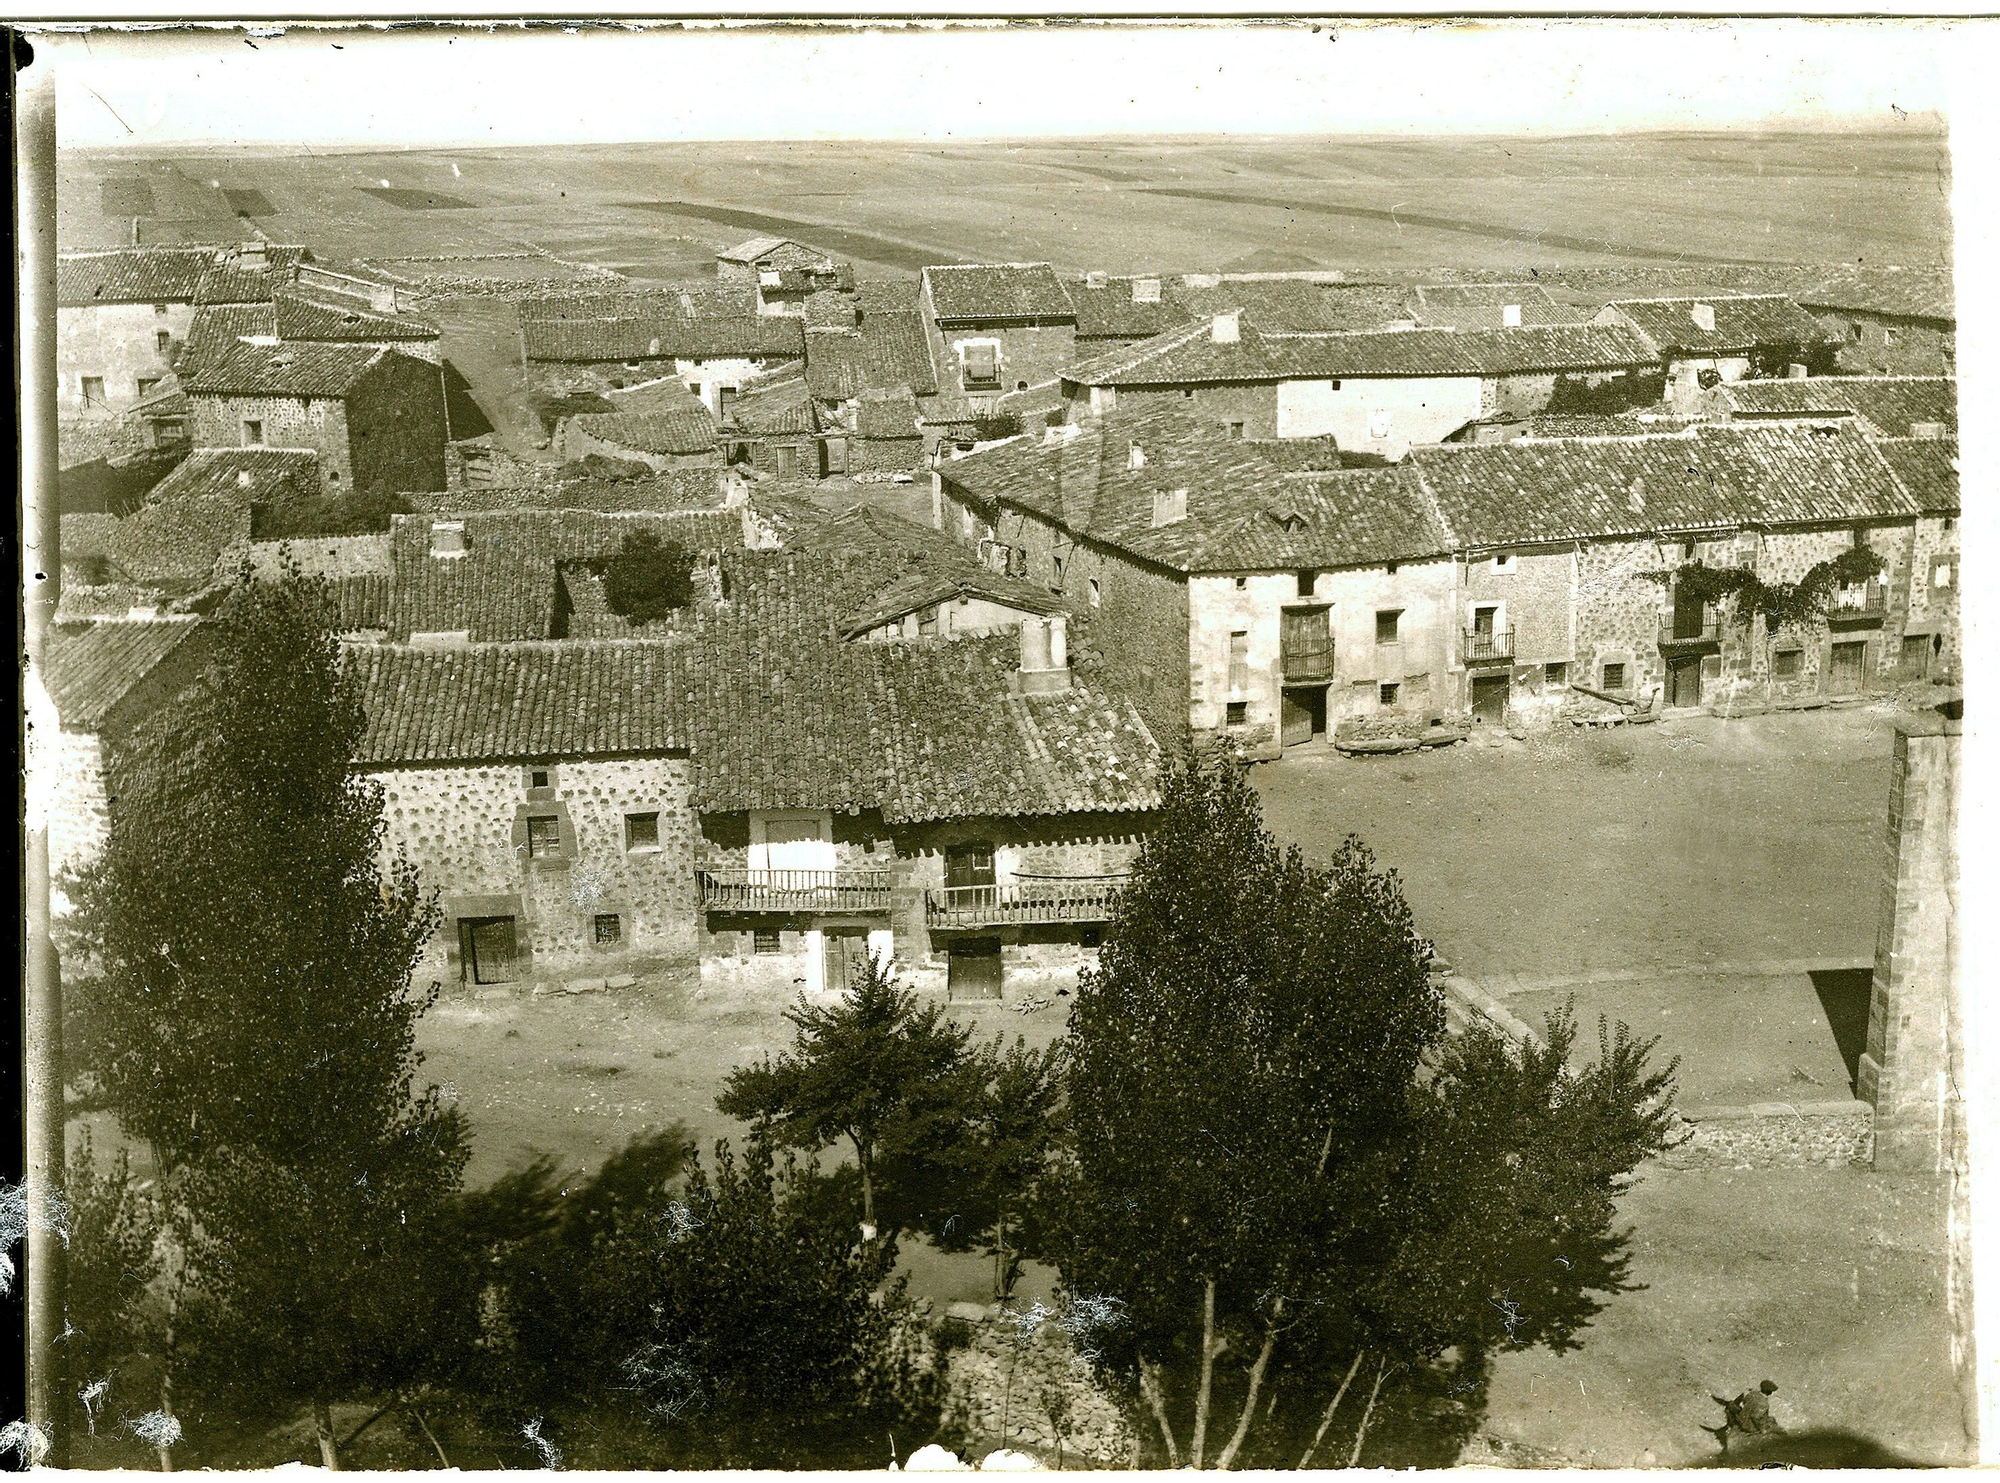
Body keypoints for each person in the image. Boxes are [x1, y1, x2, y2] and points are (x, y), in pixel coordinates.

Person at [1702, 1379, 1779, 1452]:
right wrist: (1762, 1430)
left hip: (1741, 1419)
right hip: (1750, 1426)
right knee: (1772, 1423)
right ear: (1769, 1392)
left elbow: (1745, 1401)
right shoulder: (1764, 1403)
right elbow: (1755, 1417)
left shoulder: (1752, 1394)